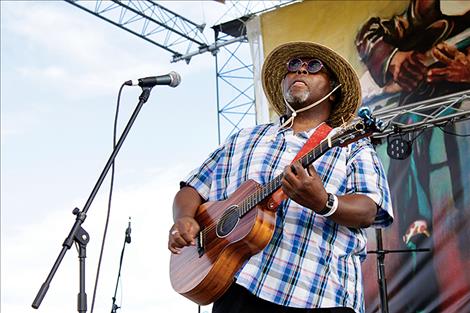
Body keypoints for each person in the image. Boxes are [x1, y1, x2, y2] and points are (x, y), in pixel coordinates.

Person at [168, 41, 393, 313]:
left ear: (334, 91)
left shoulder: (352, 145)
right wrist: (183, 219)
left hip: (317, 293)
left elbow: (370, 209)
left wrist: (324, 202)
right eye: (293, 66)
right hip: (236, 288)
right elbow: (192, 189)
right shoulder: (245, 138)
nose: (300, 71)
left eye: (313, 66)